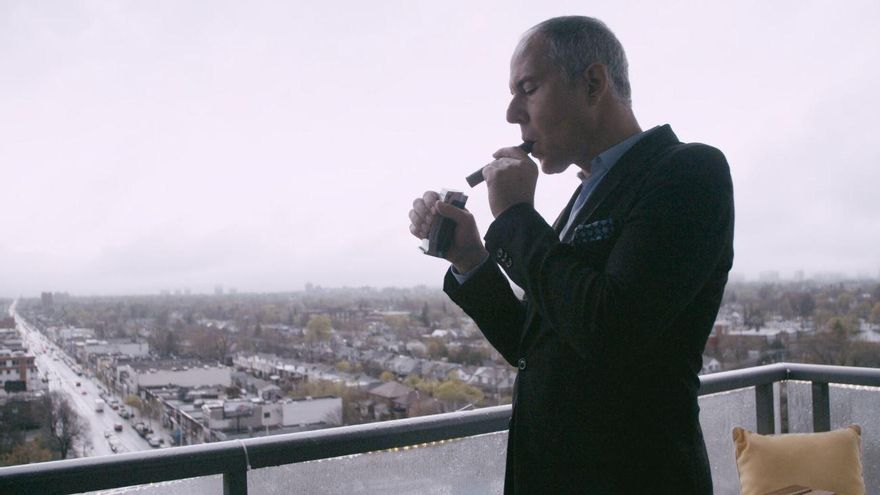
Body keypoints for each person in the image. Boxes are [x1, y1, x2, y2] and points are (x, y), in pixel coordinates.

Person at [409, 16, 733, 494]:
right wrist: (470, 258)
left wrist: (515, 217)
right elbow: (534, 345)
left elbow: (609, 329)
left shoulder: (688, 171)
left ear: (593, 83)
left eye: (527, 88)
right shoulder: (584, 198)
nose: (511, 114)